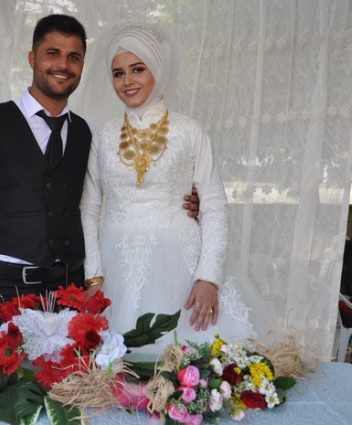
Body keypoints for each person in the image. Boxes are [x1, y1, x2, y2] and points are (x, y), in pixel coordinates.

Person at [0, 15, 199, 305]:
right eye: (52, 53)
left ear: (82, 65)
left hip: (71, 288)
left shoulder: (89, 133)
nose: (63, 65)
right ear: (32, 59)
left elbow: (125, 187)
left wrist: (184, 199)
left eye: (74, 57)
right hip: (4, 285)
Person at [80, 25, 252, 353]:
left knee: (188, 362)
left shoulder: (190, 131)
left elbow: (214, 205)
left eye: (137, 69)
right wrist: (94, 276)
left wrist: (209, 277)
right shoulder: (103, 135)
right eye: (118, 73)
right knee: (116, 367)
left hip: (179, 266)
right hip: (116, 269)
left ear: (158, 69)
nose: (127, 81)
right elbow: (89, 208)